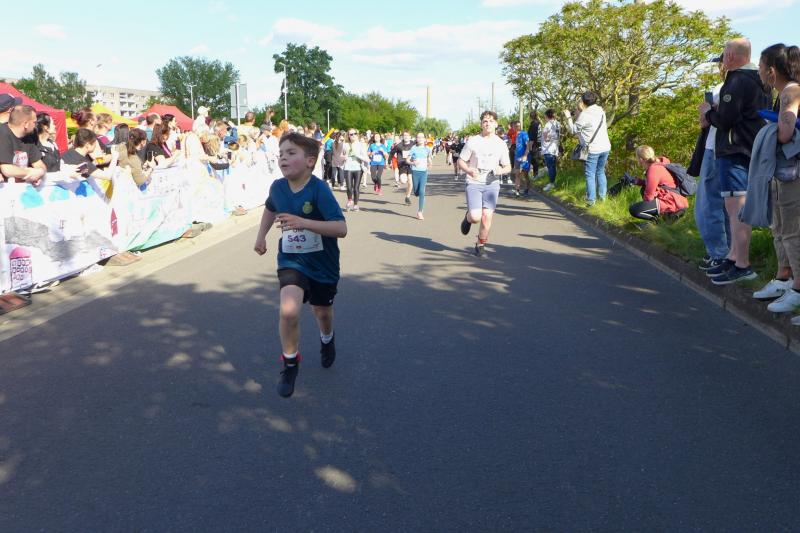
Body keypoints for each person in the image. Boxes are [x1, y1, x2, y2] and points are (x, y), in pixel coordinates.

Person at [253, 132, 347, 398]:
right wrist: (261, 236)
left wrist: (303, 222)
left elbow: (341, 228)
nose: (283, 158)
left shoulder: (319, 190)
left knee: (322, 312)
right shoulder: (277, 187)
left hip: (323, 264)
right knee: (288, 310)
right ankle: (290, 363)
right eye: (281, 153)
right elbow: (271, 208)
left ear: (310, 161)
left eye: (291, 153)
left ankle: (327, 340)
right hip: (292, 260)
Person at [700, 38, 771, 285]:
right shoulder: (760, 81)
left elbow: (725, 120)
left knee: (736, 209)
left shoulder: (737, 80)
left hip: (734, 149)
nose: (723, 58)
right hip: (750, 147)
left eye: (724, 53)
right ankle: (733, 257)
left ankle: (742, 264)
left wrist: (709, 112)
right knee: (735, 208)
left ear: (730, 55)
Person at [750, 44, 800, 312]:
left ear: (771, 70)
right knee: (779, 227)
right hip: (783, 172)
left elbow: (785, 132)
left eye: (760, 67)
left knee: (792, 230)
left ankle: (797, 289)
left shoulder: (791, 91)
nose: (758, 72)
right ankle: (784, 278)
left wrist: (770, 129)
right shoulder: (785, 92)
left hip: (793, 173)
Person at [693, 55, 732, 272]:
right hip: (732, 150)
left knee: (708, 205)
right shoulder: (756, 87)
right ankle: (729, 253)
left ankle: (718, 253)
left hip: (715, 149)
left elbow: (706, 123)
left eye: (720, 63)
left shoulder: (722, 88)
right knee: (728, 206)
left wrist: (707, 110)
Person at [457, 110, 512, 257]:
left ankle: (481, 244)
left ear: (496, 124)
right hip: (474, 181)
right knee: (476, 217)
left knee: (487, 216)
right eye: (485, 121)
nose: (488, 124)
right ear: (481, 124)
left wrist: (500, 171)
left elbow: (508, 166)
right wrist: (468, 170)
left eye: (491, 121)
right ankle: (468, 217)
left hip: (491, 183)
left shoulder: (500, 144)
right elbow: (461, 160)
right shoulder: (473, 141)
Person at [564, 91, 611, 206]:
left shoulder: (584, 115)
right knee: (600, 172)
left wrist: (568, 117)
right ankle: (603, 199)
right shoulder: (601, 111)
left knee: (590, 174)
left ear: (583, 102)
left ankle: (591, 201)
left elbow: (573, 130)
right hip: (605, 146)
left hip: (593, 149)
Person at [627, 146, 689, 221]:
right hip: (678, 201)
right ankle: (663, 217)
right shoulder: (659, 164)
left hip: (673, 203)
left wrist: (643, 207)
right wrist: (638, 181)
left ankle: (658, 221)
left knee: (634, 209)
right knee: (643, 190)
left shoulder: (653, 169)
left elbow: (649, 197)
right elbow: (659, 184)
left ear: (641, 159)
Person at [0, 105, 46, 185]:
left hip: (22, 188)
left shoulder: (28, 138)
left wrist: (39, 173)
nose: (35, 126)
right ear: (26, 124)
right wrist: (30, 172)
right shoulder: (2, 134)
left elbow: (39, 164)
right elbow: (7, 169)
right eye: (34, 122)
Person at [342, 129, 368, 211]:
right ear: (348, 136)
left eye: (354, 134)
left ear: (357, 134)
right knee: (349, 187)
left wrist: (357, 155)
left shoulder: (361, 145)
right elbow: (341, 155)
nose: (353, 135)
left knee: (356, 188)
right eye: (351, 134)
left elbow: (366, 158)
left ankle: (356, 204)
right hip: (348, 167)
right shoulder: (345, 145)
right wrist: (344, 157)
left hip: (358, 168)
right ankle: (350, 200)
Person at [409, 132, 433, 219]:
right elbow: (407, 160)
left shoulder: (427, 149)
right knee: (416, 192)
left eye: (421, 137)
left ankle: (420, 212)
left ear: (424, 139)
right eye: (418, 137)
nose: (419, 139)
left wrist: (430, 163)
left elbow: (429, 158)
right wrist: (413, 162)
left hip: (423, 172)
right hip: (415, 171)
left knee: (422, 191)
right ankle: (417, 193)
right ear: (416, 139)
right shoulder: (413, 148)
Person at [391, 131, 415, 202]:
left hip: (410, 164)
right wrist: (389, 161)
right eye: (405, 135)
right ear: (402, 137)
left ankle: (407, 197)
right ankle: (402, 178)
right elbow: (392, 152)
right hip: (402, 165)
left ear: (410, 137)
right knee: (403, 181)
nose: (406, 137)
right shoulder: (399, 145)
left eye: (407, 135)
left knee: (410, 182)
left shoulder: (413, 144)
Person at [540, 109, 560, 191]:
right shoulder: (557, 123)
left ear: (547, 116)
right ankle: (552, 183)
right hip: (555, 148)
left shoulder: (548, 124)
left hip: (548, 149)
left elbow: (545, 137)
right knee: (553, 167)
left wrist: (547, 138)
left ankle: (551, 183)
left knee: (550, 167)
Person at [513, 124, 530, 197]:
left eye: (517, 126)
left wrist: (525, 155)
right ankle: (517, 190)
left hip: (524, 157)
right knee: (517, 174)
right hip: (517, 157)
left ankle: (527, 189)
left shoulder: (524, 134)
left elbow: (528, 145)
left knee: (525, 174)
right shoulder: (516, 135)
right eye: (515, 126)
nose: (516, 127)